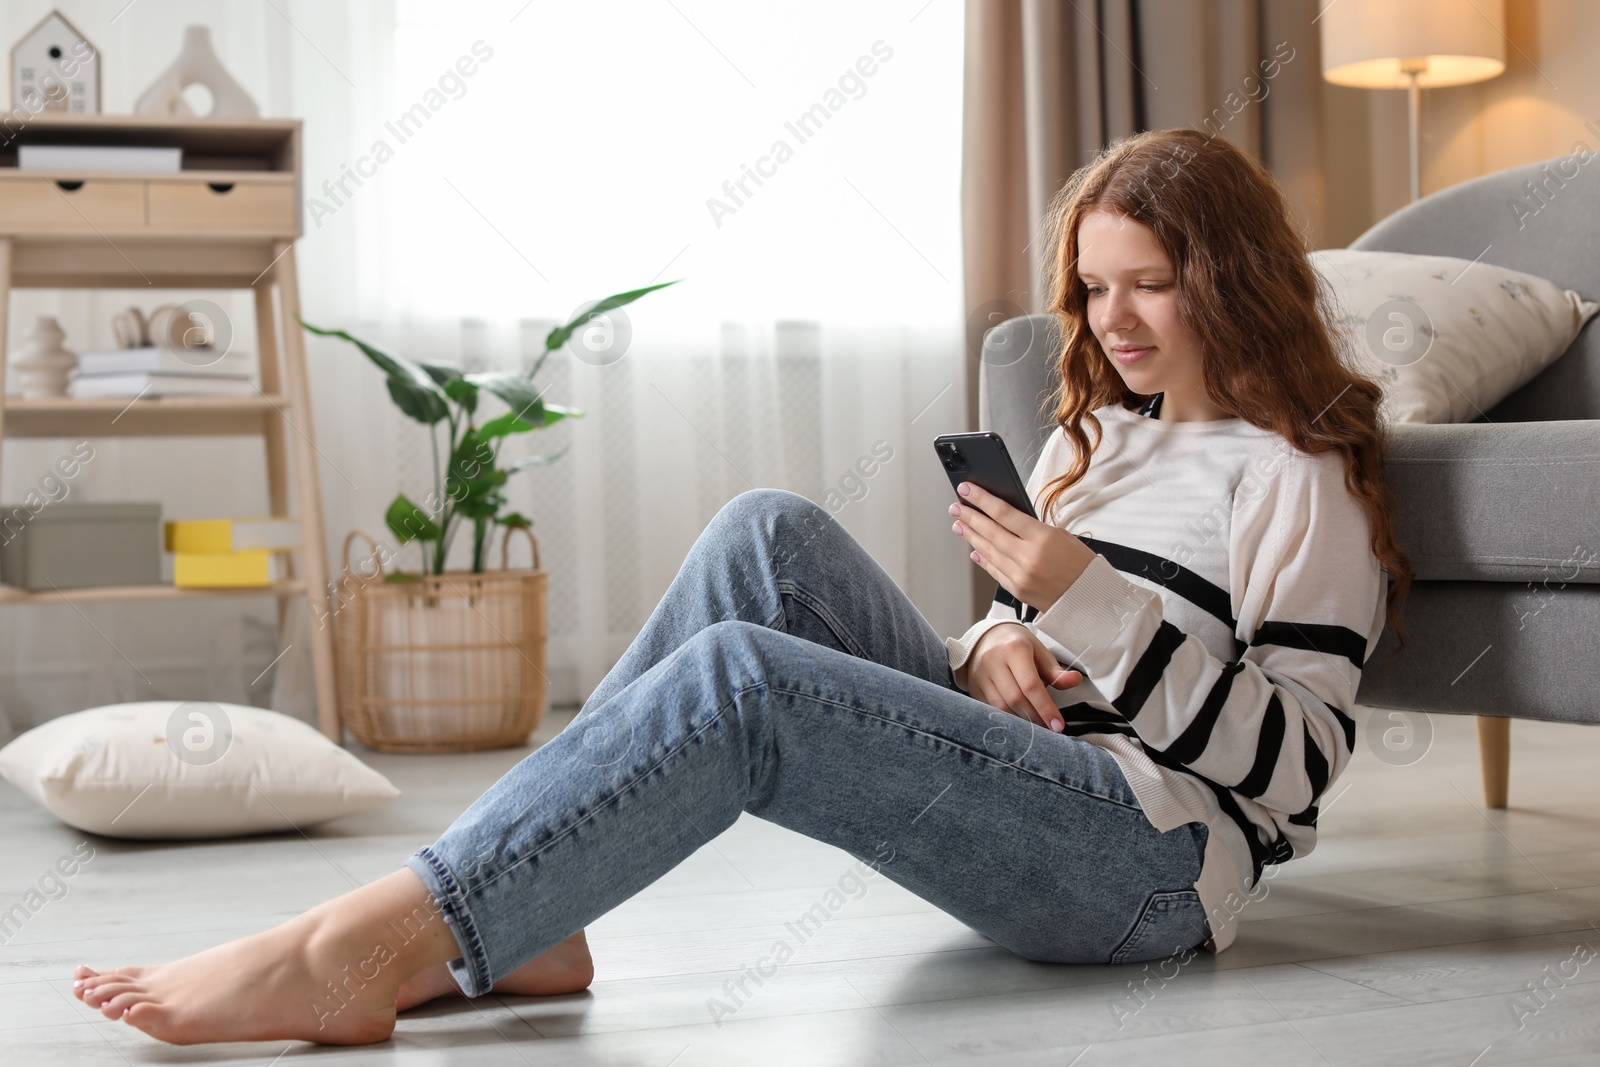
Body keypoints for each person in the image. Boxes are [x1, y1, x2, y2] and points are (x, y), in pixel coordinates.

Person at [71, 127, 1412, 1046]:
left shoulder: (1297, 475)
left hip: (1151, 867)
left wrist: (1080, 600)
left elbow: (1291, 777)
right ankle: (539, 913)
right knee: (764, 533)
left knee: (741, 687)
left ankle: (353, 952)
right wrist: (991, 642)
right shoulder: (1091, 438)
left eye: (1153, 288)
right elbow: (1039, 635)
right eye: (1096, 289)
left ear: (1228, 282)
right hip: (1036, 772)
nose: (1115, 323)